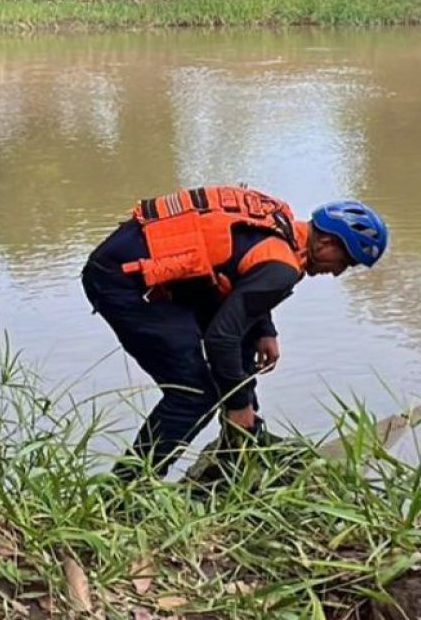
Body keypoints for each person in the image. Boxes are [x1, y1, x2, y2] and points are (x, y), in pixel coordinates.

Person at [80, 185, 389, 480]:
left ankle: (241, 442)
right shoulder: (281, 267)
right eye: (345, 262)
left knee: (241, 345)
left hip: (140, 269)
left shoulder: (282, 226)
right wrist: (238, 404)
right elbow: (220, 338)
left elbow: (242, 275)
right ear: (327, 243)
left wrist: (264, 330)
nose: (337, 272)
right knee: (193, 395)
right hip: (120, 282)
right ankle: (128, 486)